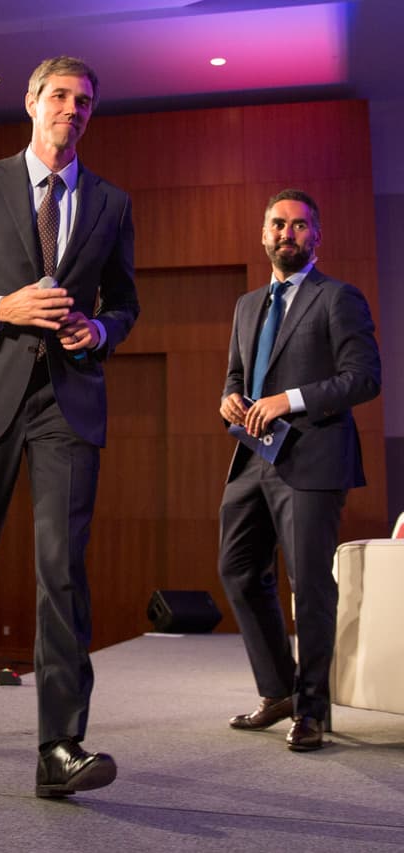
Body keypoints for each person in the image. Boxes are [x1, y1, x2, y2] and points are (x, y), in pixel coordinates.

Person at [0, 55, 140, 797]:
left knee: (62, 568)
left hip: (67, 402)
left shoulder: (111, 202)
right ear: (33, 103)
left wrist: (99, 331)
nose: (75, 109)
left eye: (87, 102)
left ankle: (60, 747)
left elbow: (126, 303)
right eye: (63, 96)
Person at [217, 189, 381, 752]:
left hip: (312, 457)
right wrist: (229, 400)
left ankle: (312, 709)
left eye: (299, 226)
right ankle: (279, 690)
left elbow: (364, 378)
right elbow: (236, 375)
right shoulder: (245, 306)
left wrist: (290, 399)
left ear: (317, 236)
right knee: (238, 569)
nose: (288, 233)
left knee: (310, 587)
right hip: (251, 456)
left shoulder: (338, 298)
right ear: (264, 234)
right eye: (278, 224)